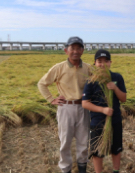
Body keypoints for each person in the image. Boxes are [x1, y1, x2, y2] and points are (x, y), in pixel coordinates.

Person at [37, 36, 90, 173]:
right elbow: (42, 84)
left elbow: (97, 85)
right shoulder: (59, 68)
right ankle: (65, 169)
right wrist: (51, 99)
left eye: (79, 48)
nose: (76, 51)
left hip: (83, 108)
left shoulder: (88, 68)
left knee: (83, 141)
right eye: (73, 48)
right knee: (65, 141)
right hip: (66, 108)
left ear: (83, 50)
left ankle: (82, 166)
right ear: (66, 50)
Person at [82, 49, 127, 173]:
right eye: (99, 61)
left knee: (116, 149)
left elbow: (123, 99)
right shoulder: (91, 80)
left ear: (110, 62)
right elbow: (85, 103)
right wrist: (103, 110)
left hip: (115, 120)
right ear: (95, 63)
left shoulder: (117, 77)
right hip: (97, 122)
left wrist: (115, 88)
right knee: (97, 152)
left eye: (106, 61)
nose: (103, 64)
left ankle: (116, 171)